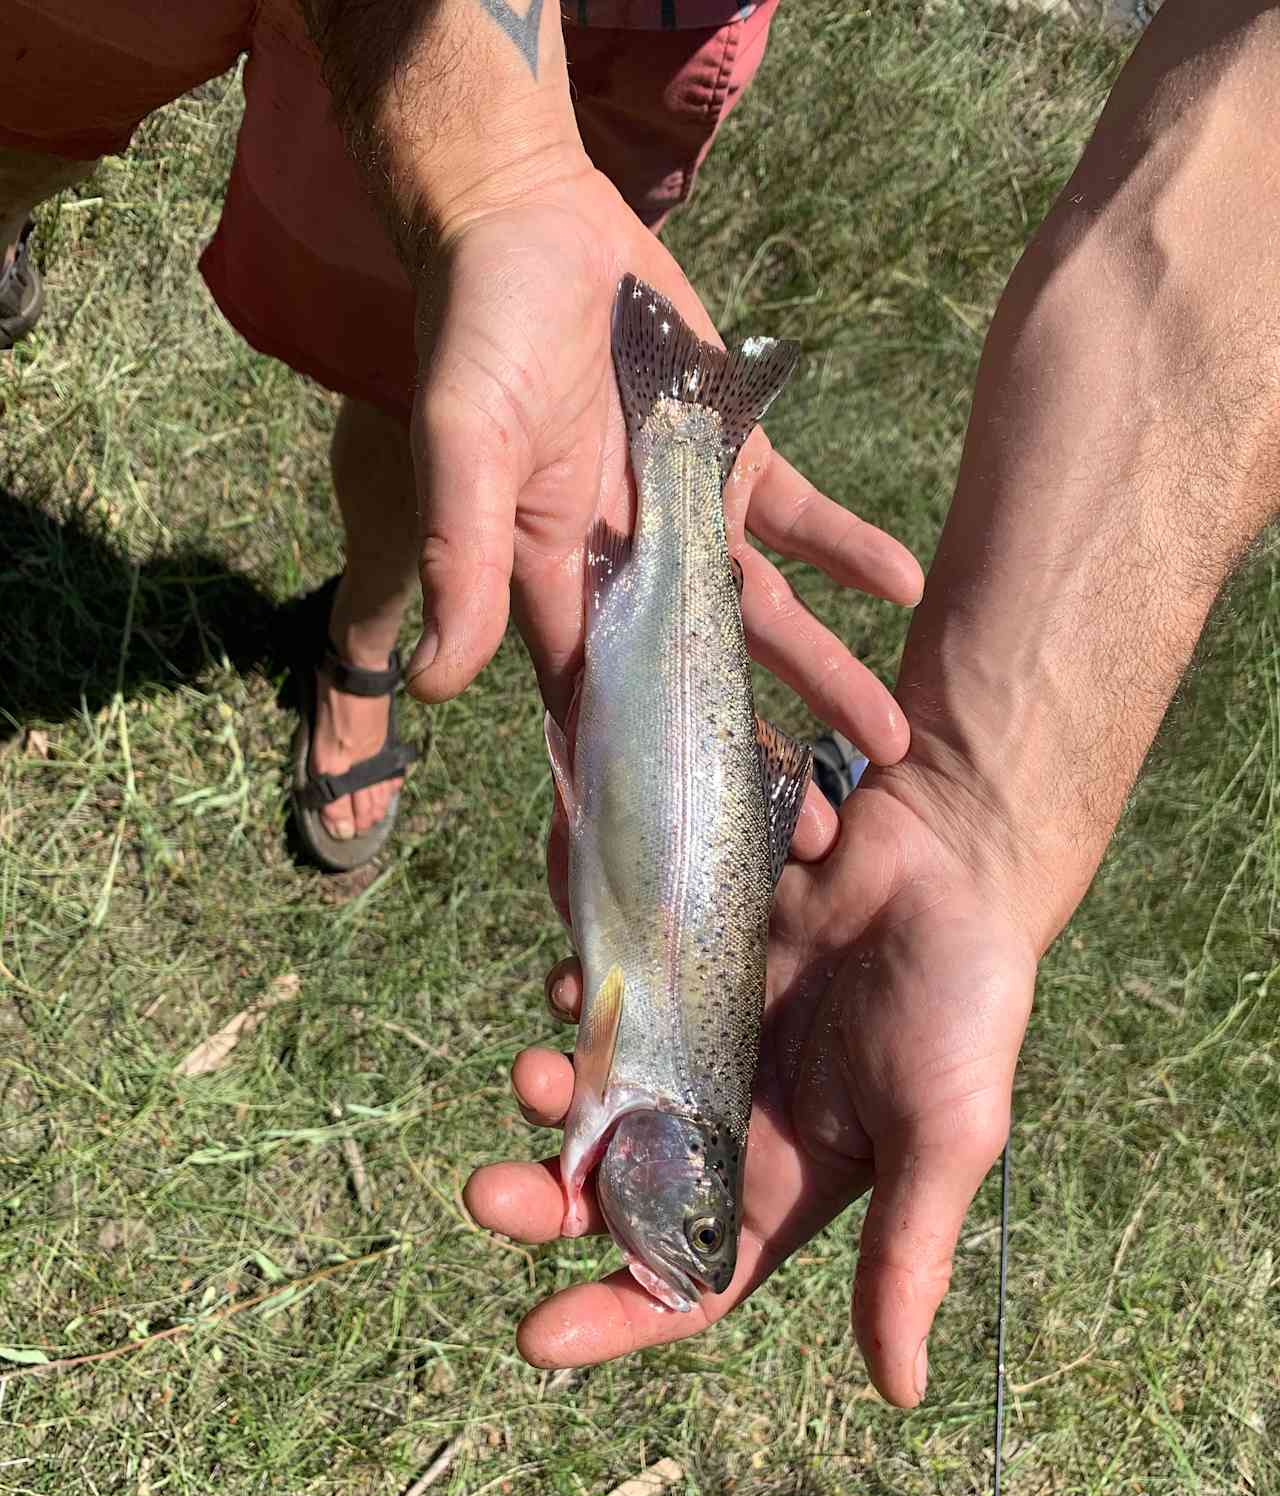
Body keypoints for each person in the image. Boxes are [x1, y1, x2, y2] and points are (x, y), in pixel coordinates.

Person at [9, 1, 1275, 1408]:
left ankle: (372, 616)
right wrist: (488, 163)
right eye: (696, 1218)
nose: (679, 1238)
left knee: (426, 357)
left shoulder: (632, 1082)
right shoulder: (646, 1078)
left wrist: (985, 806)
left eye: (688, 1222)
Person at [1, 0, 917, 873]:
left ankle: (360, 636)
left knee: (441, 364)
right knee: (32, 92)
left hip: (634, 27)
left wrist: (502, 184)